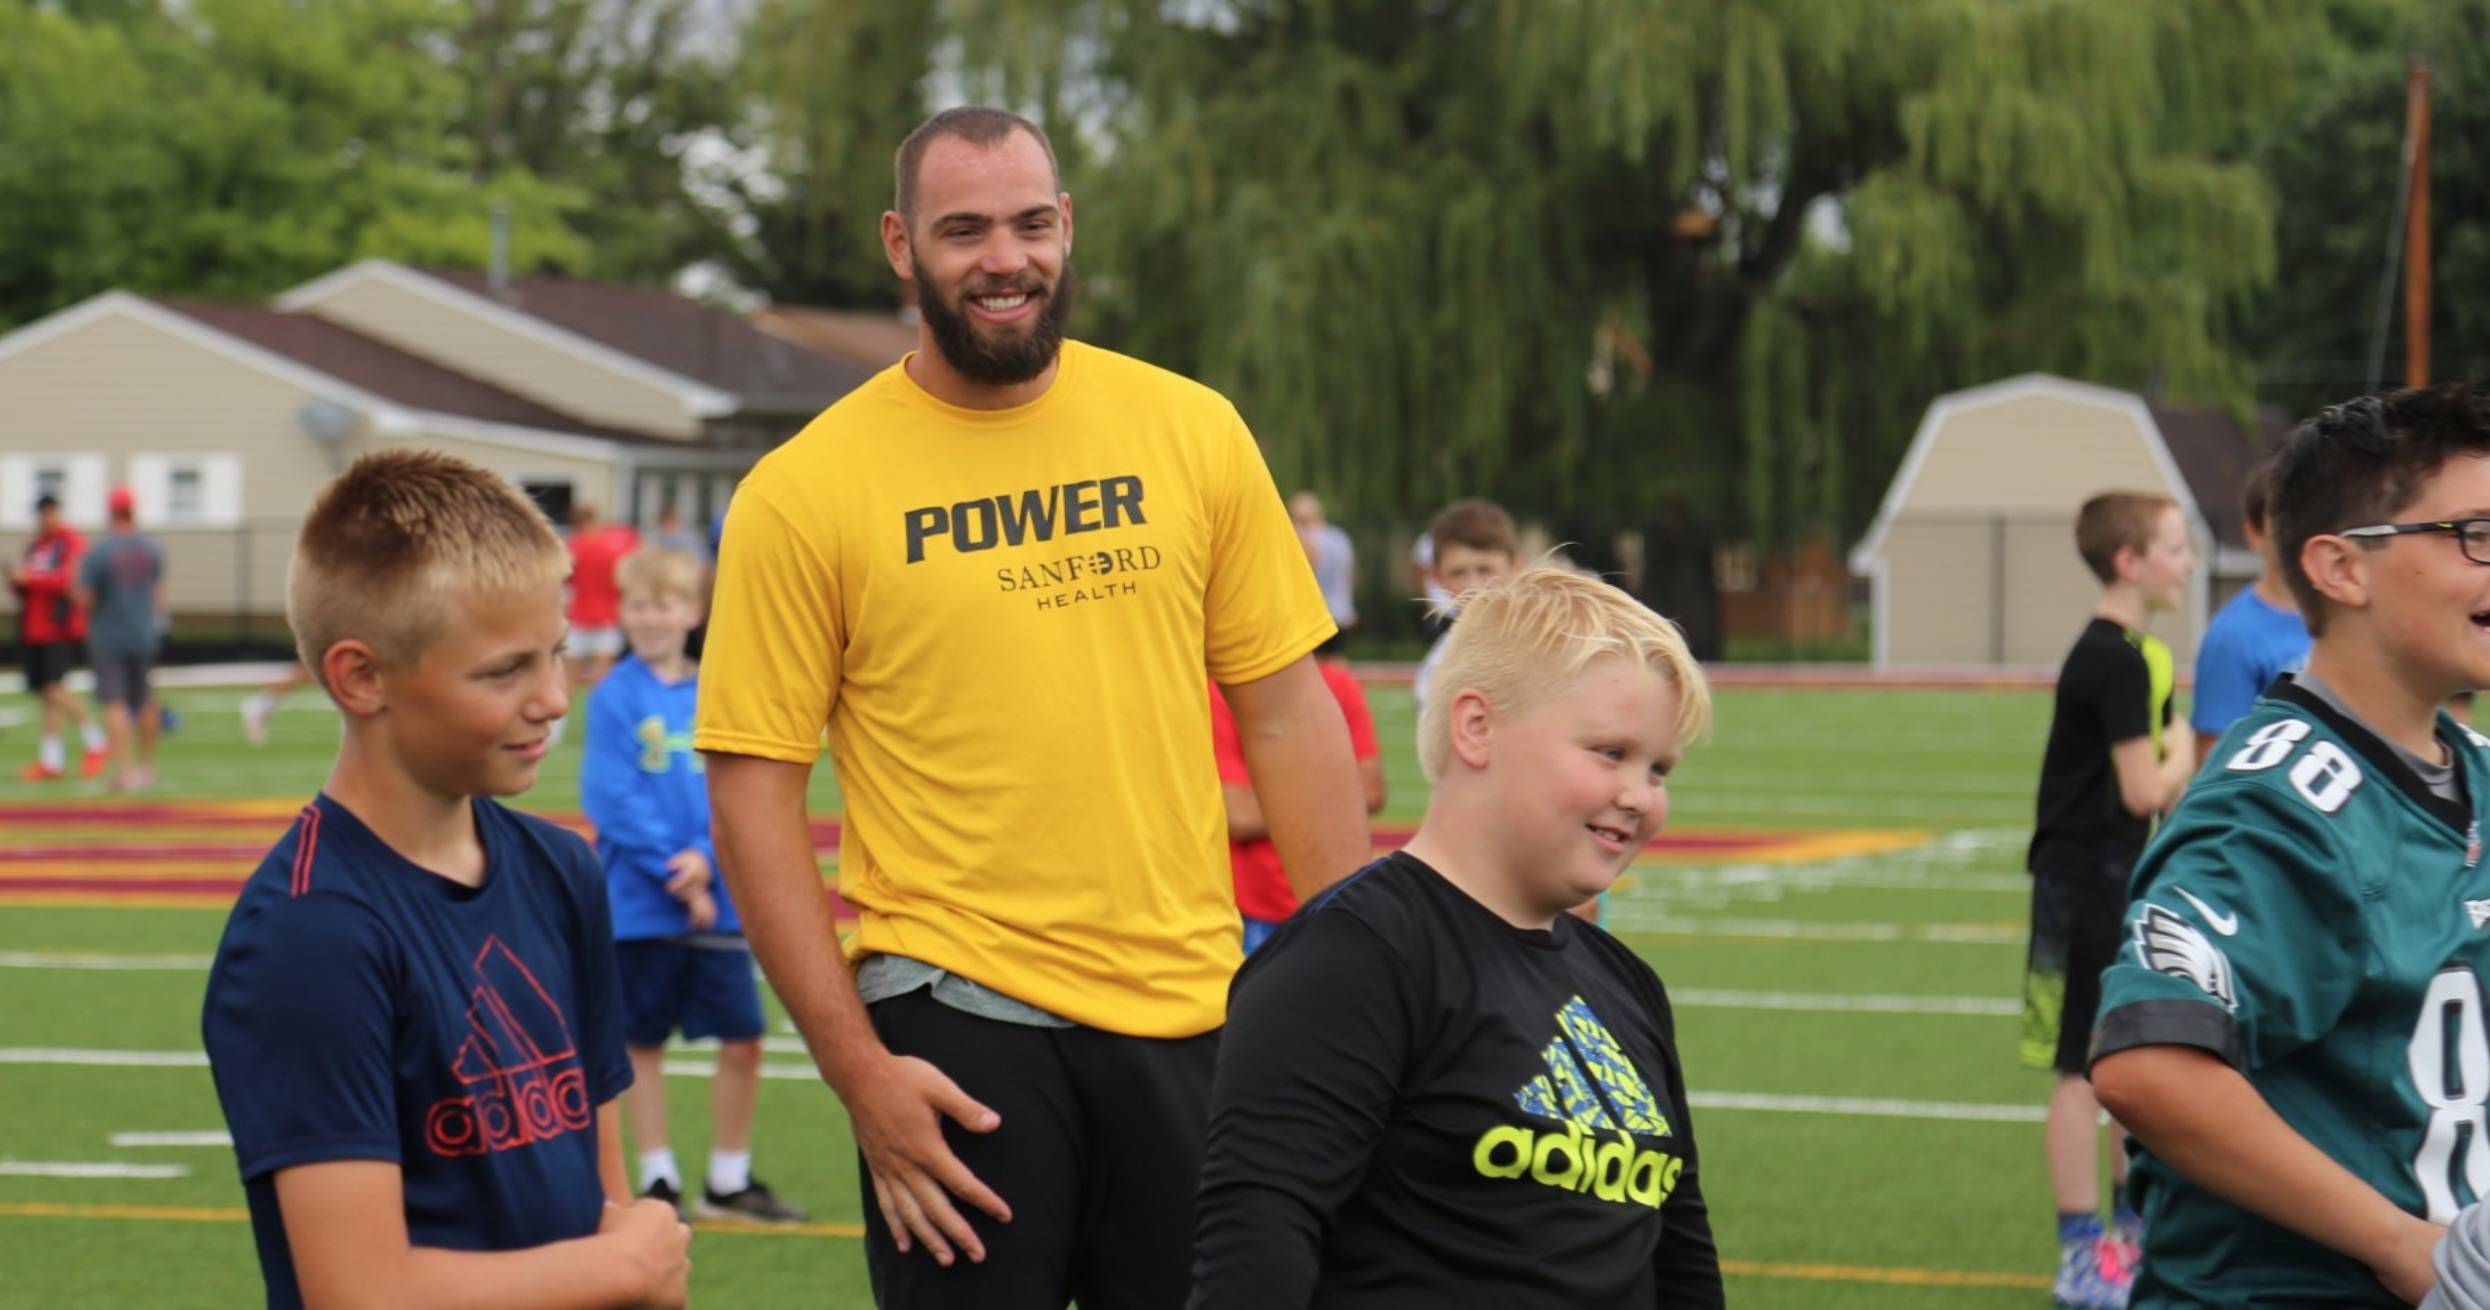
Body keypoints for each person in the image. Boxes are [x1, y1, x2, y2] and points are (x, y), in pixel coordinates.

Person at [695, 105, 1371, 1308]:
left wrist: (1346, 995)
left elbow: (1286, 713)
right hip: (953, 1020)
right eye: (965, 230)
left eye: (1030, 222)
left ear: (1069, 227)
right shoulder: (803, 492)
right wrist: (859, 1072)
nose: (1004, 257)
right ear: (902, 246)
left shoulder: (1189, 427)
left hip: (1194, 1010)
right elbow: (752, 794)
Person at [198, 450, 690, 1310]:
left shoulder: (561, 867)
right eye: (505, 670)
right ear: (362, 677)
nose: (553, 698)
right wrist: (621, 1270)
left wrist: (624, 1267)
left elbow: (605, 1195)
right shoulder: (310, 932)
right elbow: (359, 1291)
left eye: (558, 654)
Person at [1189, 566, 1723, 1308]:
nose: (1640, 796)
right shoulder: (1352, 959)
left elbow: (1682, 1263)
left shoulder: (1626, 985)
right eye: (1610, 752)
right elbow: (1257, 1247)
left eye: (1659, 768)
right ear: (1477, 727)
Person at [2090, 385, 2490, 1308]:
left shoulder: (2465, 764)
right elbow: (2150, 1064)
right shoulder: (2279, 806)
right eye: (2472, 533)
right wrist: (2403, 1245)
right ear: (2342, 569)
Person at [580, 545, 806, 1225]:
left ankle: (729, 1180)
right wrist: (677, 870)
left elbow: (740, 788)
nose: (650, 618)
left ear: (693, 611)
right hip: (640, 906)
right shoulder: (615, 694)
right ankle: (658, 1176)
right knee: (640, 1044)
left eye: (665, 604)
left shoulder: (715, 687)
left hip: (719, 899)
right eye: (638, 605)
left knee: (744, 1037)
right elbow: (610, 795)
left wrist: (710, 858)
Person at [2023, 490, 2199, 1309]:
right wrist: (2183, 756)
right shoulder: (2115, 659)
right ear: (2129, 562)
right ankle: (2081, 1251)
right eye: (2173, 545)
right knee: (2079, 1068)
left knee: (2122, 1057)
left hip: (2109, 879)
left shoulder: (2137, 652)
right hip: (2082, 880)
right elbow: (2140, 790)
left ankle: (2128, 1237)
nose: (2188, 560)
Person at [1210, 645, 1385, 953]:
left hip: (1333, 903)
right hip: (1257, 912)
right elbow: (1237, 814)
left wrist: (1270, 797)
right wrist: (1334, 791)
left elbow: (1372, 789)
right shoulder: (1219, 694)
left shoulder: (1340, 683)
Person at [2190, 455, 2309, 762]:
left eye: (2307, 515)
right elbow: (2213, 765)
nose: (2298, 532)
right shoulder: (2232, 636)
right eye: (2283, 520)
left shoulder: (2347, 617)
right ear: (2254, 534)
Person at [11, 493, 106, 780]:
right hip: (34, 627)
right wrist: (17, 582)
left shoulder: (70, 542)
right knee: (46, 696)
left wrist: (31, 579)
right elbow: (27, 588)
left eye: (50, 513)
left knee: (54, 689)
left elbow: (68, 581)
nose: (45, 519)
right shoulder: (35, 545)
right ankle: (52, 761)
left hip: (59, 628)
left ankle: (97, 741)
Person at [76, 487, 166, 791]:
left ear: (111, 512)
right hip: (143, 632)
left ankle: (124, 771)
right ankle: (148, 769)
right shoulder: (152, 548)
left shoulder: (99, 551)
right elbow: (157, 592)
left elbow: (86, 599)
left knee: (114, 702)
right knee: (144, 701)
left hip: (110, 635)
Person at [1411, 498, 1519, 717]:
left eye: (1485, 569)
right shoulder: (1438, 668)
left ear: (1514, 567)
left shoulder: (1547, 640)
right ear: (1437, 577)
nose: (1473, 586)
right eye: (1458, 573)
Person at [565, 504, 639, 686]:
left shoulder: (572, 546)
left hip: (578, 615)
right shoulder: (616, 544)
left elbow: (566, 581)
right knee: (602, 678)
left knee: (567, 676)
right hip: (608, 615)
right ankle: (598, 712)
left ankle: (563, 716)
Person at [1288, 490, 1358, 633]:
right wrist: (1348, 606)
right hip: (1340, 611)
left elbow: (1306, 575)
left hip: (1314, 615)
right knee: (1335, 654)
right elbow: (1349, 576)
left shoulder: (1303, 539)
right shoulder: (1339, 538)